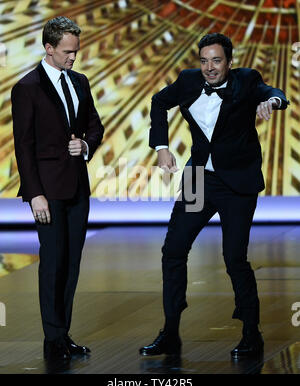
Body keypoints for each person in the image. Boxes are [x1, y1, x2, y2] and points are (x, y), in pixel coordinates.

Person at [139, 33, 289, 359]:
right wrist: (161, 147)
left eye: (216, 60)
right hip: (198, 180)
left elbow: (274, 93)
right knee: (174, 250)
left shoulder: (247, 80)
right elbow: (158, 102)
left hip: (237, 185)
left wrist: (271, 103)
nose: (209, 68)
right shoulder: (189, 81)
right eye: (204, 60)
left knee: (234, 259)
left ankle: (252, 334)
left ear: (229, 62)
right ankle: (170, 332)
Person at [11, 16, 104, 361]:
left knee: (72, 263)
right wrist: (34, 193)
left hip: (78, 188)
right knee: (53, 263)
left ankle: (63, 334)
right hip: (47, 193)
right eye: (67, 52)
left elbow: (95, 126)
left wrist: (86, 145)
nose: (73, 58)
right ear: (48, 48)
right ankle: (53, 340)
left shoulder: (79, 82)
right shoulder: (27, 88)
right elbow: (24, 145)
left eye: (76, 52)